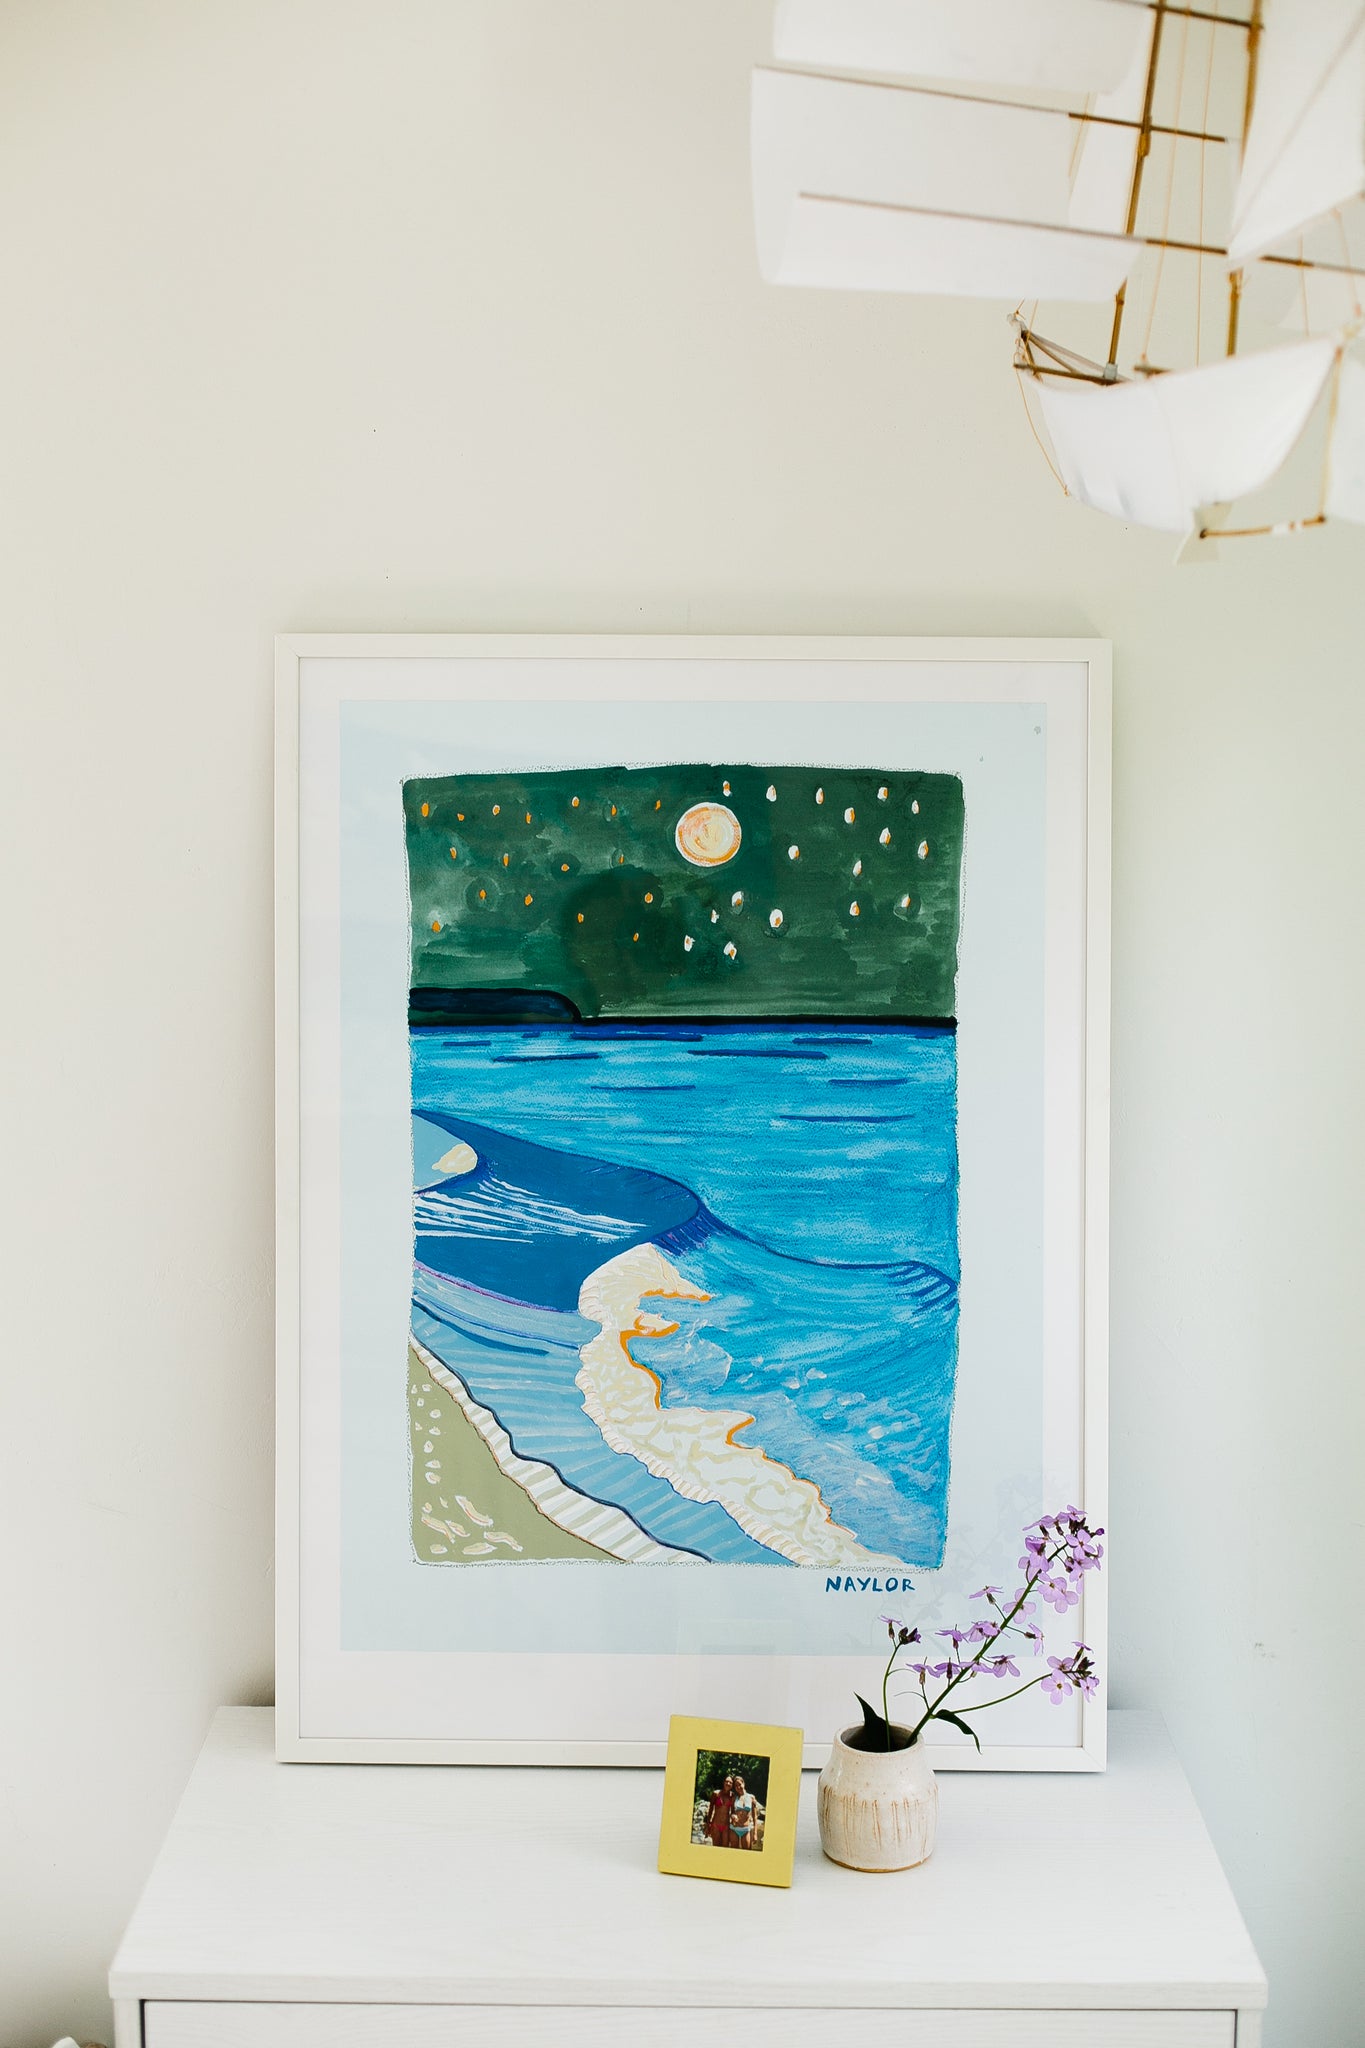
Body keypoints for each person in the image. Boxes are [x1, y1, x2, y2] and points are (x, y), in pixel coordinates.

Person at [729, 1774, 759, 1850]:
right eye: (736, 1786)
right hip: (734, 1829)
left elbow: (755, 1817)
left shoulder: (751, 1797)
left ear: (743, 1783)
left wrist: (755, 1833)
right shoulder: (734, 1798)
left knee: (747, 1852)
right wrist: (732, 1816)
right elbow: (731, 1812)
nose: (738, 1787)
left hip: (746, 1829)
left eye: (739, 1784)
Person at [704, 1773, 734, 1847]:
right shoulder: (716, 1794)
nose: (728, 1783)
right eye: (727, 1781)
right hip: (715, 1825)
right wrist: (708, 1825)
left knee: (725, 1848)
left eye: (730, 1782)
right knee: (716, 1847)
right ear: (723, 1782)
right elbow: (710, 1810)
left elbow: (733, 1811)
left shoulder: (732, 1796)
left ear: (732, 1785)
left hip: (726, 1826)